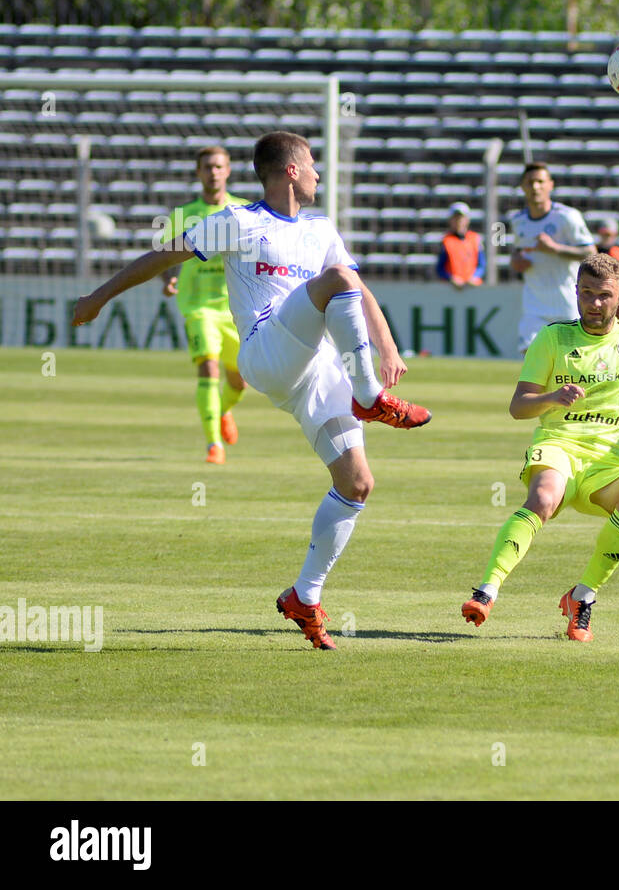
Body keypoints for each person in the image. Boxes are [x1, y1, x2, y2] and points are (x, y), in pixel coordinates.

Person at [72, 131, 431, 651]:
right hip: (266, 349)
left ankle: (304, 597)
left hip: (317, 370)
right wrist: (99, 296)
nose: (316, 174)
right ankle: (370, 397)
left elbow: (357, 286)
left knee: (357, 484)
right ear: (289, 170)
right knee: (333, 281)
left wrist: (388, 344)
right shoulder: (239, 221)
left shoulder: (320, 228)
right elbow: (164, 255)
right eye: (310, 165)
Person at [460, 253, 619, 641]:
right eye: (586, 293)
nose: (594, 304)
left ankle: (582, 598)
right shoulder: (553, 337)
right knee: (545, 497)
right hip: (558, 447)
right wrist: (553, 397)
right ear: (576, 292)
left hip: (608, 464)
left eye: (603, 295)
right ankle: (487, 590)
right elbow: (518, 408)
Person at [157, 146, 252, 465]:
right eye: (207, 167)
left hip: (236, 309)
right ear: (198, 173)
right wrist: (167, 279)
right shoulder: (182, 215)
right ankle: (214, 444)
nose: (213, 172)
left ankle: (222, 410)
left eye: (219, 166)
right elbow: (164, 256)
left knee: (240, 380)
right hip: (198, 306)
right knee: (208, 367)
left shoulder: (244, 211)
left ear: (228, 171)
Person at [509, 162, 597, 355]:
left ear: (551, 185)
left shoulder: (567, 217)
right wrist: (516, 261)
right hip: (534, 303)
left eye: (540, 181)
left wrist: (555, 248)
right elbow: (516, 252)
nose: (535, 187)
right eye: (530, 182)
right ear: (523, 187)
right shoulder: (517, 220)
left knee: (572, 360)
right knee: (532, 356)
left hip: (565, 300)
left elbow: (591, 252)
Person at [436, 201, 485, 288]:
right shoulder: (446, 241)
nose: (458, 221)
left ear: (467, 220)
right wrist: (451, 278)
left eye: (461, 218)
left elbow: (481, 265)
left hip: (472, 287)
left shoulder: (475, 239)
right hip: (452, 289)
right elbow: (440, 268)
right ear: (450, 220)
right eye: (455, 218)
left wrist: (474, 277)